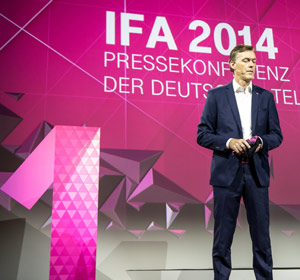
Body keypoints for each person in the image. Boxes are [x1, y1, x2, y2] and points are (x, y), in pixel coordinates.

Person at [197, 45, 283, 280]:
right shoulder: (216, 95)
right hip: (227, 174)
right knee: (223, 237)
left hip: (256, 173)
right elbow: (203, 134)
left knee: (262, 237)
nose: (252, 65)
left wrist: (261, 142)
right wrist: (229, 142)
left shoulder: (265, 96)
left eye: (254, 60)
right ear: (232, 64)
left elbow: (277, 135)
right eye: (246, 60)